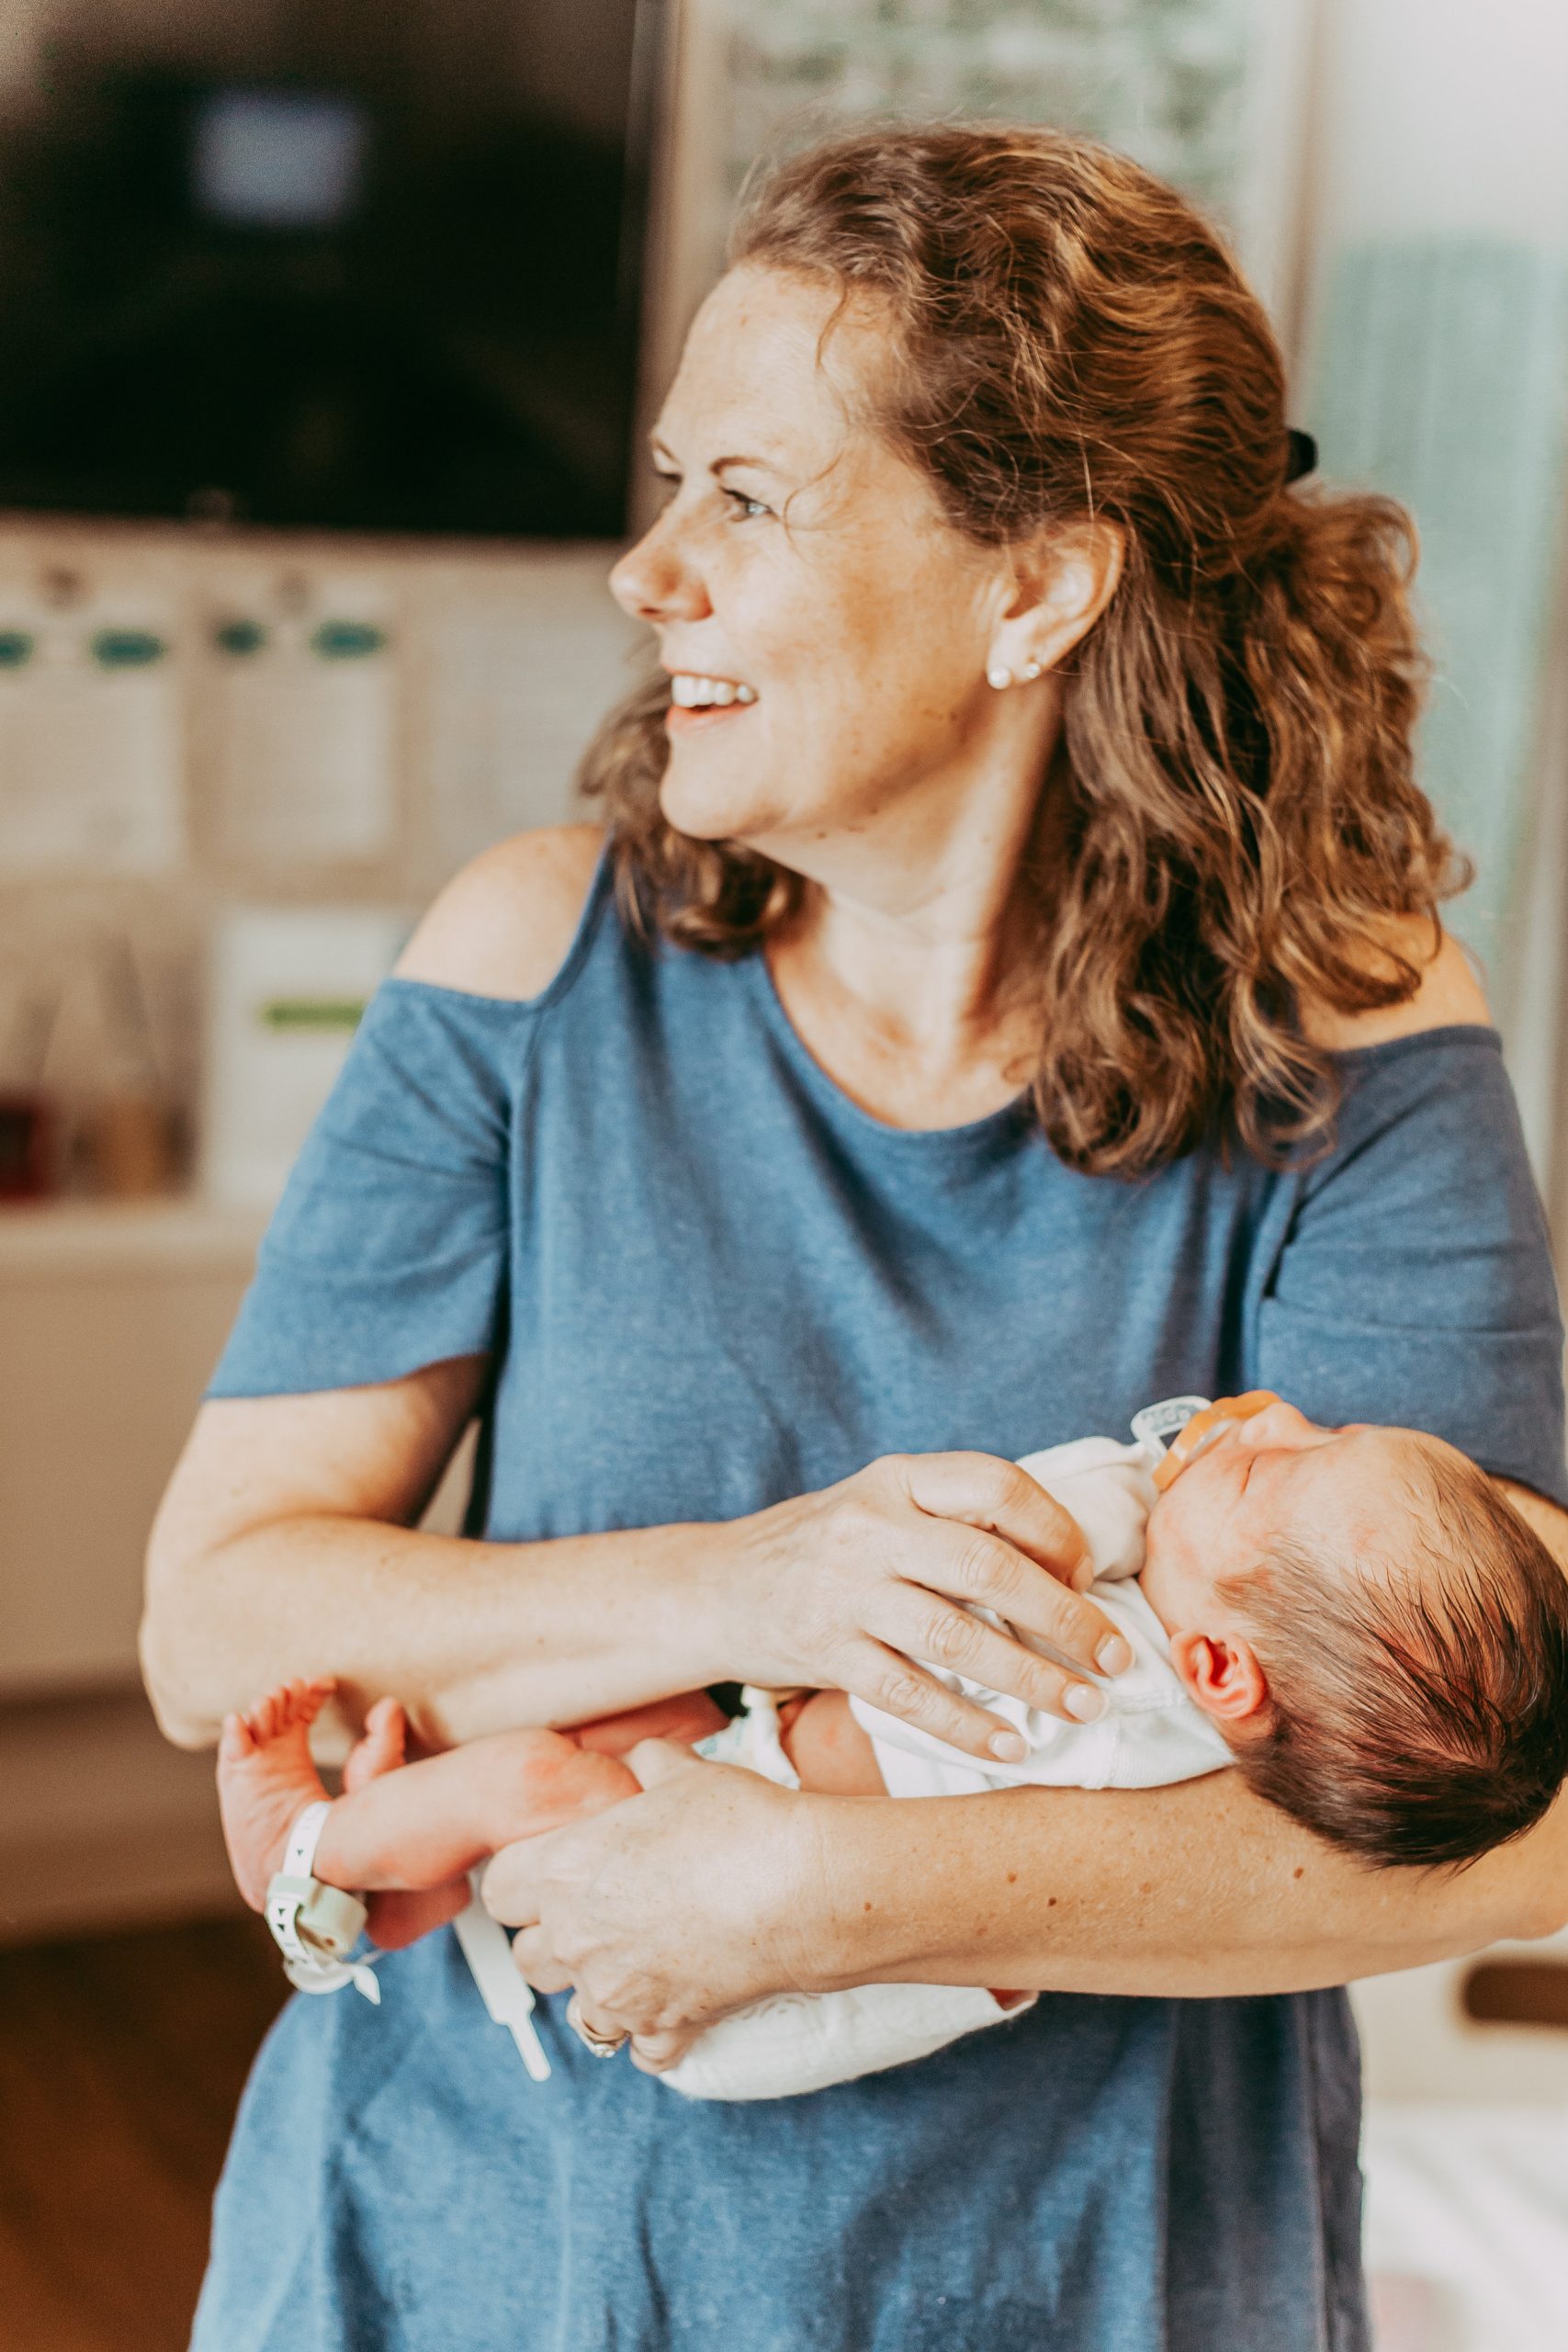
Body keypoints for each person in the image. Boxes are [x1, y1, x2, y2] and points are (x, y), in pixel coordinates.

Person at [141, 124, 1568, 2351]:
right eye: (667, 477)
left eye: (747, 497)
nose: (649, 570)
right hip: (459, 2248)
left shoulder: (1348, 1037)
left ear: (1032, 588)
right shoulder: (533, 959)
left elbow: (1530, 1810)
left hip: (1087, 2280)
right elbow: (214, 1613)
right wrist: (759, 1576)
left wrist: (834, 1889)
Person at [212, 1393, 1568, 2101]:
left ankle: (305, 1851)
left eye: (1279, 1467)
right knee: (604, 1744)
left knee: (542, 1778)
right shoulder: (1231, 1713)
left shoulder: (1128, 1676)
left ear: (1220, 1669)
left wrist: (1172, 1476)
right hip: (751, 1771)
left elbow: (1075, 1498)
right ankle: (414, 1881)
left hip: (753, 2002)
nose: (1266, 1418)